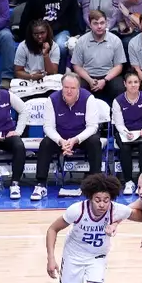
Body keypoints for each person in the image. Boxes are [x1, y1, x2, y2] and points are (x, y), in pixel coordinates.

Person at [44, 173, 133, 283]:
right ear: (90, 198)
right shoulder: (77, 210)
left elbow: (141, 214)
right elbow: (52, 229)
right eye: (97, 199)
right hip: (74, 256)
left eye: (106, 200)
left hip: (97, 257)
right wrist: (51, 258)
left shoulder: (116, 209)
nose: (101, 204)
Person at [33, 74, 102, 202]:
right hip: (61, 138)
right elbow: (48, 127)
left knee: (94, 141)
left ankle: (95, 185)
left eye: (73, 88)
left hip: (81, 137)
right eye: (66, 87)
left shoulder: (88, 98)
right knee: (45, 143)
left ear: (79, 88)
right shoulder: (52, 99)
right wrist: (61, 141)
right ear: (61, 87)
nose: (69, 91)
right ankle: (40, 184)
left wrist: (75, 140)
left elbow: (92, 126)